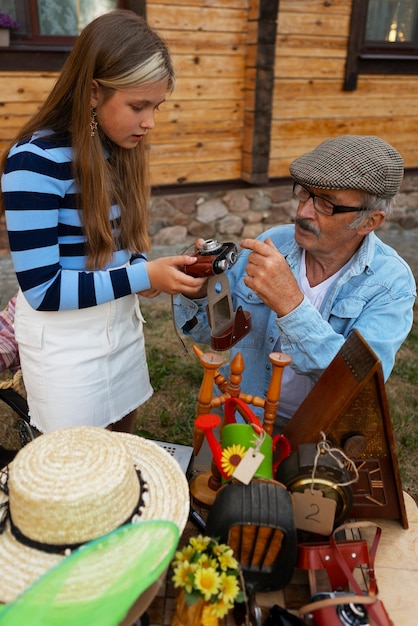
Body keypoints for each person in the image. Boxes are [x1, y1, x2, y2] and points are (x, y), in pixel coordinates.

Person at [0, 10, 204, 435]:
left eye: (156, 106)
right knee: (76, 463)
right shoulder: (33, 162)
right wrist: (139, 275)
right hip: (64, 343)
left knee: (119, 445)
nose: (149, 122)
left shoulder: (118, 151)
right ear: (94, 92)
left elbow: (121, 245)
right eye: (138, 105)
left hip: (121, 328)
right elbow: (43, 289)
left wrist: (149, 271)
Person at [174, 135, 417, 432]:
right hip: (241, 412)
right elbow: (214, 336)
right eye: (304, 194)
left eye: (326, 204)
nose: (302, 212)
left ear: (369, 221)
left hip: (320, 431)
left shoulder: (391, 284)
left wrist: (291, 304)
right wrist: (200, 293)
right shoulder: (273, 242)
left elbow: (358, 384)